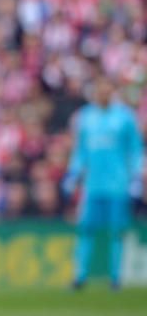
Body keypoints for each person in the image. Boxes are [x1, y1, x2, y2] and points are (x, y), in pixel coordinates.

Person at [62, 74, 144, 290]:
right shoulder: (86, 117)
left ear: (112, 91)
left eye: (107, 89)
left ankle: (115, 278)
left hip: (118, 184)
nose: (103, 92)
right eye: (100, 89)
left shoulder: (125, 117)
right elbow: (80, 151)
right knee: (86, 229)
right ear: (95, 91)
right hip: (93, 185)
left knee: (117, 231)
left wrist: (136, 176)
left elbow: (135, 150)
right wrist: (73, 173)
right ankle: (80, 277)